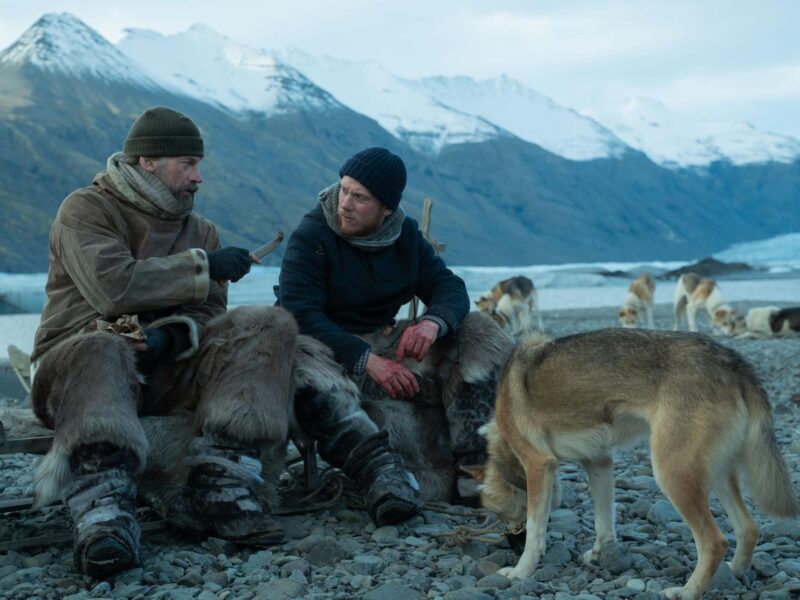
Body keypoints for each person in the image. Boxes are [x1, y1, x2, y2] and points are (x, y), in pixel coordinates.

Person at [29, 106, 295, 578]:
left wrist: (172, 336)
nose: (198, 177)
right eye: (186, 164)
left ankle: (218, 490)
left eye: (199, 164)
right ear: (147, 161)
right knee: (103, 346)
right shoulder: (86, 209)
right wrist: (204, 267)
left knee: (267, 323)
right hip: (76, 370)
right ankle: (104, 516)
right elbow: (113, 287)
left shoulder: (201, 229)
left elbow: (209, 313)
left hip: (161, 369)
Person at [279, 147, 513, 505]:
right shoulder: (313, 235)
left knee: (478, 329)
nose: (344, 203)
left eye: (359, 198)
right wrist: (367, 360)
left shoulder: (404, 235)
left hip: (387, 340)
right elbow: (300, 314)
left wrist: (432, 324)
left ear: (386, 208)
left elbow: (449, 287)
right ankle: (387, 475)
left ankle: (475, 465)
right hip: (324, 351)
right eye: (344, 190)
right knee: (302, 357)